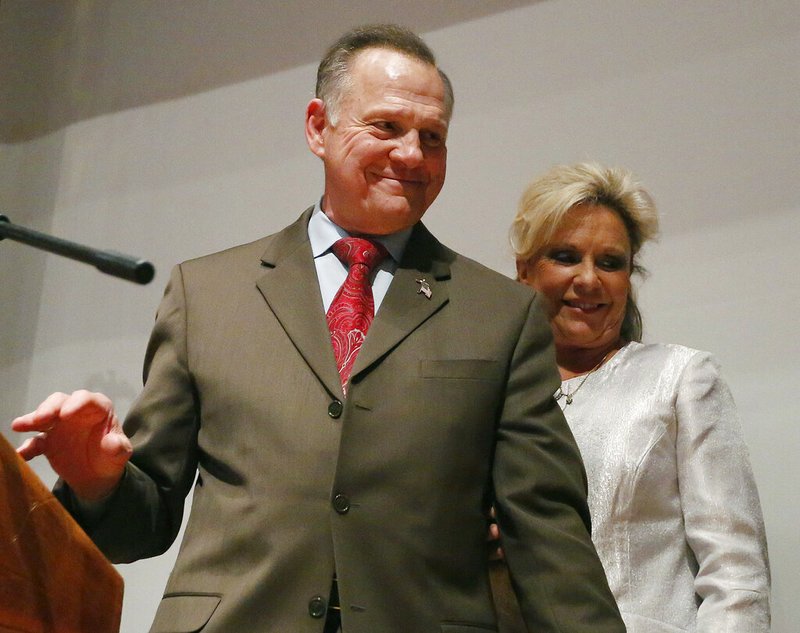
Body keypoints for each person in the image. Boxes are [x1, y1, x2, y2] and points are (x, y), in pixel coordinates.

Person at [11, 26, 625, 633]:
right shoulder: (206, 294)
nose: (411, 154)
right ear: (317, 127)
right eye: (386, 126)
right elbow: (141, 527)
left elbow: (548, 536)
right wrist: (97, 479)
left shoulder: (500, 314)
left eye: (431, 137)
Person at [491, 162, 771, 632]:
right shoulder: (486, 397)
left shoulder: (680, 379)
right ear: (524, 272)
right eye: (565, 256)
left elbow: (737, 578)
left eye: (609, 262)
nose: (588, 279)